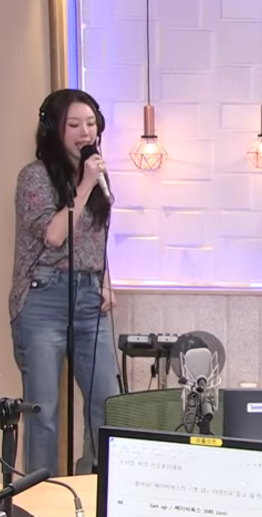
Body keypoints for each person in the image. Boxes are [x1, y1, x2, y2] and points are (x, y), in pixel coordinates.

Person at [10, 88, 121, 475]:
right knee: (44, 412)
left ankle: (96, 488)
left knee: (107, 402)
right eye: (74, 125)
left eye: (91, 123)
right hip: (44, 299)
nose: (85, 132)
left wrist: (105, 280)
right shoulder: (35, 177)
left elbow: (94, 238)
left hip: (89, 297)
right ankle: (39, 498)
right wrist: (86, 184)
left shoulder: (97, 178)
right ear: (53, 129)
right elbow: (55, 236)